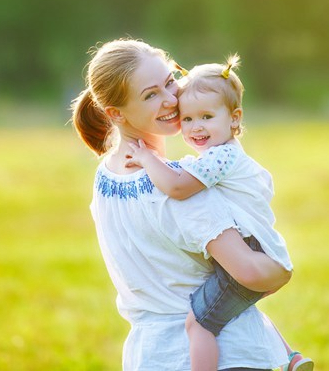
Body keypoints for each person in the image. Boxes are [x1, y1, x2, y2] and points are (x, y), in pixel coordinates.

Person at [71, 38, 293, 371]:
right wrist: (281, 270)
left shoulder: (104, 179)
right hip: (222, 354)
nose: (172, 98)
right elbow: (249, 271)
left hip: (149, 356)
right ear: (115, 113)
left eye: (170, 82)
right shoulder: (182, 186)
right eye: (151, 95)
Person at [125, 55, 313, 371]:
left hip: (248, 252)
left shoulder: (220, 159)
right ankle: (291, 358)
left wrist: (147, 159)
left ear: (234, 118)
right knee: (231, 307)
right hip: (255, 249)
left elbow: (177, 187)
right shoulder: (224, 157)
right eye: (187, 119)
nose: (196, 127)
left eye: (207, 116)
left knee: (199, 323)